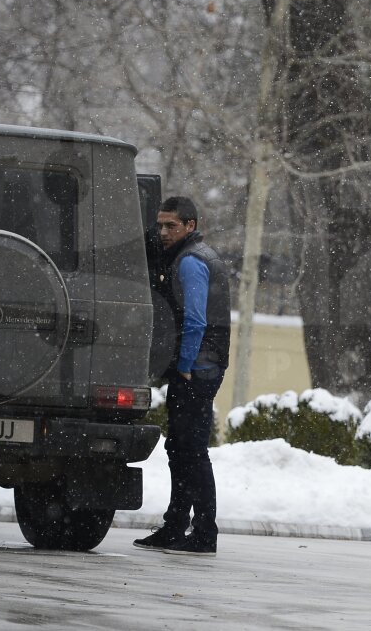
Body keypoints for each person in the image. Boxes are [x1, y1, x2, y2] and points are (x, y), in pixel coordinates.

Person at [133, 196, 232, 556]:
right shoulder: (193, 255)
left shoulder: (190, 261)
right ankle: (176, 526)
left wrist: (186, 365)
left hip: (197, 368)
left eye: (171, 225)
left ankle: (203, 532)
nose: (163, 231)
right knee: (181, 448)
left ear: (190, 225)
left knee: (191, 451)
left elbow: (195, 321)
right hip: (203, 364)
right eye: (160, 224)